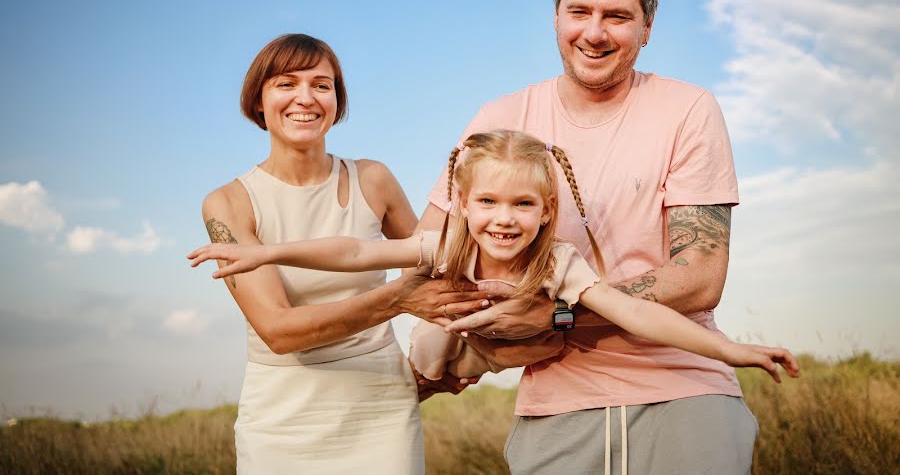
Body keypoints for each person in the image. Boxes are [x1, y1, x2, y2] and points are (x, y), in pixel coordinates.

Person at [413, 0, 767, 474]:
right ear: (556, 15)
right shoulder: (498, 119)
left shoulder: (688, 109)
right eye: (578, 11)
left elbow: (699, 275)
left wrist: (553, 316)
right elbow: (432, 252)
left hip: (684, 389)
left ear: (648, 27)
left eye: (618, 16)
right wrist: (469, 339)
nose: (594, 33)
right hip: (554, 405)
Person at [189, 129, 797, 391]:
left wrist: (732, 349)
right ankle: (431, 383)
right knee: (429, 343)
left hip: (516, 343)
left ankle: (467, 368)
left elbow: (638, 314)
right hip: (455, 338)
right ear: (462, 202)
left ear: (545, 209)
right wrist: (268, 249)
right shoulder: (450, 244)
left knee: (549, 341)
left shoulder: (557, 262)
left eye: (522, 204)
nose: (503, 219)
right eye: (487, 202)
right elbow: (353, 250)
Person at [197, 33, 487, 474]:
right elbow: (279, 331)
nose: (305, 98)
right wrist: (398, 299)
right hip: (280, 419)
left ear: (337, 99)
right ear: (258, 99)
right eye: (286, 83)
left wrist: (449, 360)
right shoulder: (229, 204)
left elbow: (440, 271)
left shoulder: (374, 179)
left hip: (381, 408)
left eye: (321, 84)